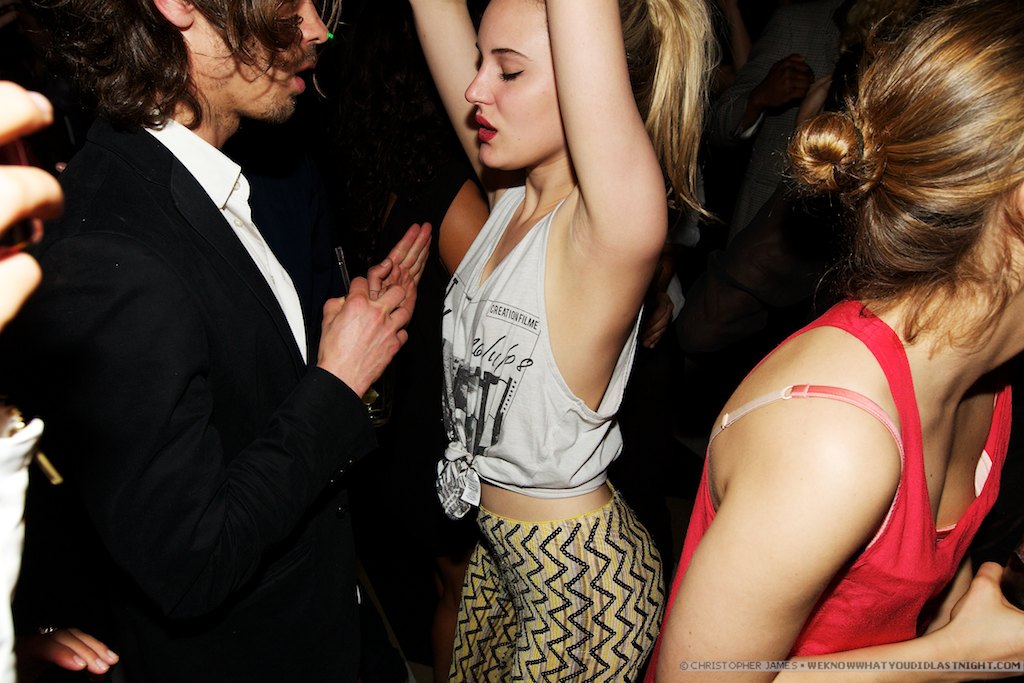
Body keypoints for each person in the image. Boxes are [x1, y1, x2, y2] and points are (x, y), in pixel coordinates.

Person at [0, 2, 430, 682]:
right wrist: (337, 383)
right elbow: (189, 559)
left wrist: (335, 346)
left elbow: (227, 403)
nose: (317, 28)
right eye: (289, 2)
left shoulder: (193, 176)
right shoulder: (115, 250)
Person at [649, 1, 1024, 679]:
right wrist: (954, 658)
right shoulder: (833, 437)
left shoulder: (985, 383)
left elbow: (915, 600)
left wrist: (961, 626)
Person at [409, 0, 713, 679]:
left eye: (510, 71)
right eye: (481, 62)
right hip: (496, 552)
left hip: (581, 588)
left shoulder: (612, 230)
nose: (475, 88)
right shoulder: (507, 200)